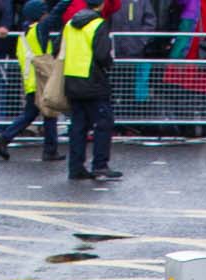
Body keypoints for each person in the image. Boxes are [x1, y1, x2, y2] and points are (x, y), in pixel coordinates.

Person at [0, 0, 61, 160]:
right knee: (48, 113)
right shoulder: (39, 29)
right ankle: (49, 151)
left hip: (31, 81)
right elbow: (57, 12)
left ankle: (6, 137)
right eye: (44, 12)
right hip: (41, 79)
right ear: (39, 15)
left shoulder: (25, 34)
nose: (47, 15)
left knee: (33, 113)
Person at [60, 0, 118, 181]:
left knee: (78, 126)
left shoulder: (70, 24)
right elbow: (102, 55)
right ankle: (100, 165)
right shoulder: (98, 24)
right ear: (101, 4)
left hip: (71, 78)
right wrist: (109, 63)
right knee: (103, 123)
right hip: (93, 79)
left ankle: (76, 167)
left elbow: (58, 48)